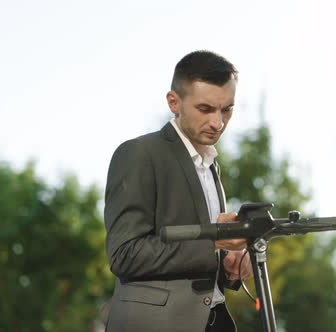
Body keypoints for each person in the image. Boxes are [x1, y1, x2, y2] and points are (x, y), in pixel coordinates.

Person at [103, 50, 252, 332]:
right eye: (205, 109)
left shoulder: (210, 164)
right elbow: (125, 254)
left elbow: (200, 253)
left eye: (227, 109)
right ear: (174, 102)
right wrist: (214, 242)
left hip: (215, 321)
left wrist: (231, 264)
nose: (218, 123)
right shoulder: (138, 153)